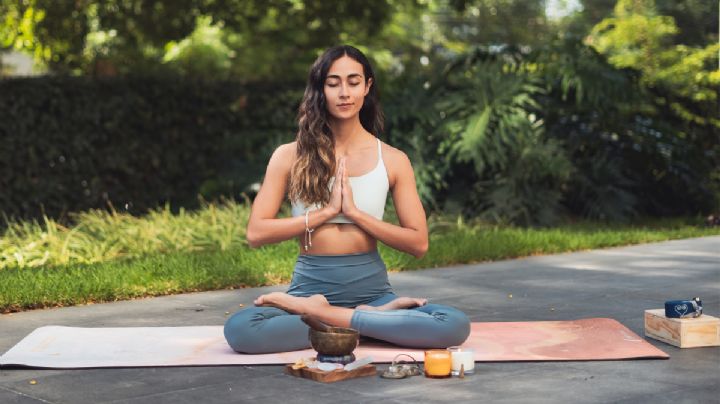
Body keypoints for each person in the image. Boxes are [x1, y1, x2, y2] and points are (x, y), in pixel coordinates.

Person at [224, 45, 470, 354]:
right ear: (321, 88)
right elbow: (257, 233)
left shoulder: (392, 159)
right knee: (242, 330)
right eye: (333, 82)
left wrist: (355, 213)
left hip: (373, 292)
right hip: (308, 289)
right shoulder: (289, 156)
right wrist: (326, 212)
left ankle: (327, 318)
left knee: (454, 324)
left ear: (367, 86)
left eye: (353, 82)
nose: (344, 92)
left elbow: (418, 244)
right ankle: (372, 324)